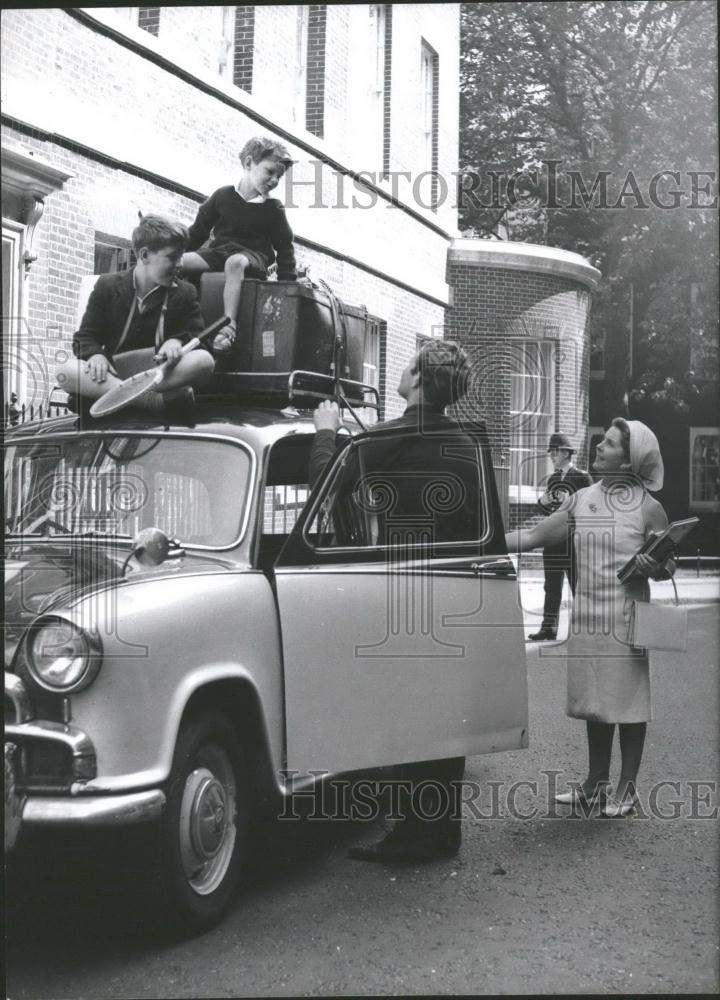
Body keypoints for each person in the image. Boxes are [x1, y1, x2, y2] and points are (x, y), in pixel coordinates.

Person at [310, 340, 480, 862]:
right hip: (457, 589)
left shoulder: (393, 436)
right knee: (444, 718)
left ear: (420, 378)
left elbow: (323, 488)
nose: (401, 371)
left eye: (407, 365)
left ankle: (411, 836)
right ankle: (440, 831)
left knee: (406, 713)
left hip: (405, 590)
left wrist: (323, 434)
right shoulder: (467, 441)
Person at [506, 418, 675, 817]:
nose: (599, 445)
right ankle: (595, 784)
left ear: (630, 460)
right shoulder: (582, 499)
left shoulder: (649, 508)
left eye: (611, 443)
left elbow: (670, 565)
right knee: (596, 701)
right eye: (603, 440)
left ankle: (627, 790)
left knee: (629, 704)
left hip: (627, 618)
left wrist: (656, 566)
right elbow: (532, 536)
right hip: (587, 616)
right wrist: (477, 541)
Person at [58, 214, 214, 411]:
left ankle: (116, 401)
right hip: (113, 375)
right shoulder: (107, 286)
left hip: (157, 375)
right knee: (65, 370)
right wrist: (95, 356)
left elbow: (198, 337)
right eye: (173, 256)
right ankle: (150, 402)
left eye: (182, 256)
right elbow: (85, 337)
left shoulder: (185, 292)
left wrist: (177, 342)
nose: (181, 263)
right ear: (145, 255)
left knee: (204, 361)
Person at [180, 136, 297, 352]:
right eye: (270, 172)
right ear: (248, 163)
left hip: (253, 257)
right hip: (218, 251)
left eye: (279, 177)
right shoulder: (223, 195)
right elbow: (197, 232)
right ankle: (175, 323)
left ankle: (228, 326)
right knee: (179, 263)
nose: (274, 180)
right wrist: (174, 252)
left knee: (234, 263)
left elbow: (285, 248)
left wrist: (286, 286)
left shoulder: (274, 208)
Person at [528, 433, 592, 641]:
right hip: (554, 541)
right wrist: (543, 502)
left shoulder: (582, 477)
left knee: (578, 585)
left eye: (554, 452)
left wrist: (570, 502)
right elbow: (547, 511)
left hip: (574, 542)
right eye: (551, 452)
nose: (551, 456)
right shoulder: (553, 479)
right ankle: (549, 628)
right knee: (551, 586)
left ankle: (586, 628)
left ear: (565, 452)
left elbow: (591, 509)